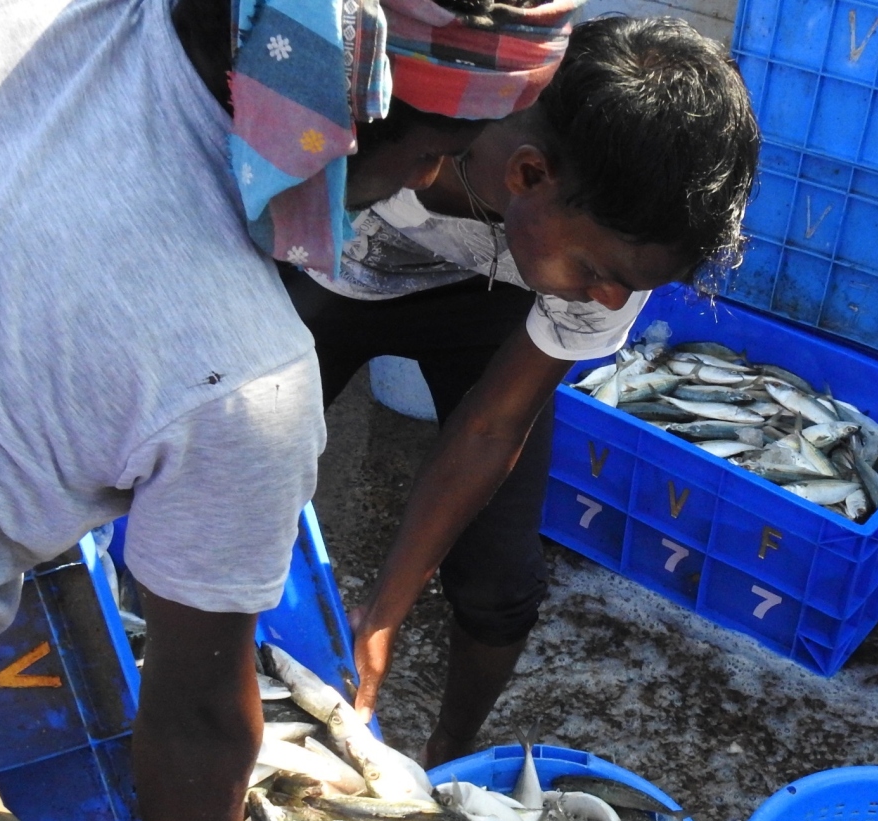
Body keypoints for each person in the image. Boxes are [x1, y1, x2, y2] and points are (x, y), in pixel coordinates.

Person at [0, 0, 579, 821]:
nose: (428, 177)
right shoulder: (244, 373)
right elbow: (197, 715)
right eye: (433, 148)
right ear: (349, 104)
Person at [283, 15, 762, 765]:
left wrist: (382, 614)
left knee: (501, 582)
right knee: (230, 487)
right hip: (328, 278)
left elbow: (490, 428)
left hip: (490, 311)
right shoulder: (387, 126)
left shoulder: (622, 248)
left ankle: (450, 758)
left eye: (629, 287)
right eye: (601, 276)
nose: (612, 302)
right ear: (529, 175)